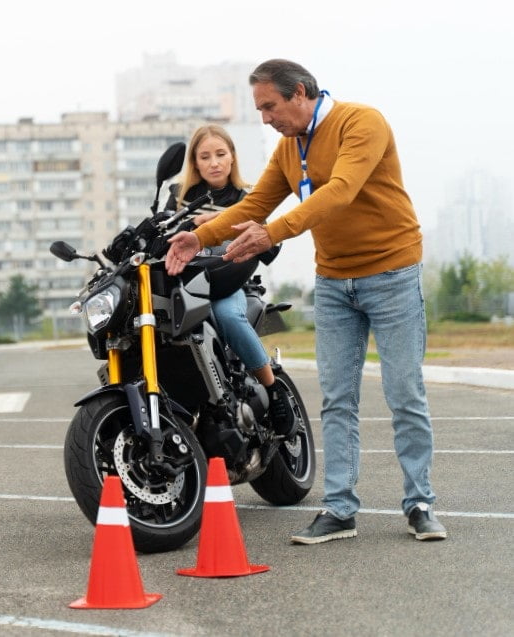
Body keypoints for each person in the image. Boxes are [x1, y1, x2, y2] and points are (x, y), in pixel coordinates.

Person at [165, 59, 446, 544]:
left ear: (299, 93)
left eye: (269, 106)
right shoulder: (288, 148)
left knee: (404, 393)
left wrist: (271, 233)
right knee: (337, 400)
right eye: (259, 109)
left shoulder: (362, 122)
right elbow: (253, 205)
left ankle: (419, 503)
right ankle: (339, 510)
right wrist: (198, 236)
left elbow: (338, 192)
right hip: (335, 282)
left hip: (392, 272)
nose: (265, 118)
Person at [167, 124, 295, 438]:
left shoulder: (247, 198)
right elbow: (162, 236)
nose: (214, 162)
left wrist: (225, 221)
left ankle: (274, 389)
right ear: (194, 163)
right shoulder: (179, 199)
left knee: (227, 316)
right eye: (205, 156)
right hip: (187, 286)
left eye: (220, 154)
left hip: (230, 284)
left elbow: (269, 244)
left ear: (232, 158)